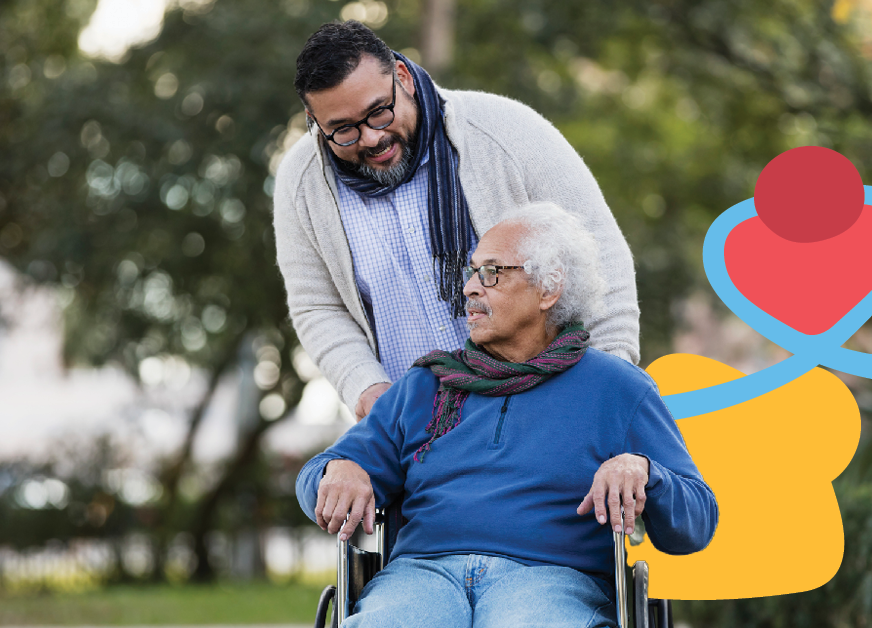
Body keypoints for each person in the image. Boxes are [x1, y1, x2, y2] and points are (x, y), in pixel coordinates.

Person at [295, 204, 717, 627]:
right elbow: (315, 477)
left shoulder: (618, 388)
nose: (470, 289)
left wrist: (644, 471)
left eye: (492, 272)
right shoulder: (428, 384)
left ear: (548, 288)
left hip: (551, 580)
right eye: (472, 271)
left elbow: (697, 523)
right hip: (421, 575)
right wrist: (338, 469)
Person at [274, 21, 641, 419]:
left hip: (547, 415)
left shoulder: (507, 131)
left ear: (402, 77)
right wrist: (366, 388)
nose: (370, 138)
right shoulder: (301, 183)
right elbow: (317, 306)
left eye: (379, 112)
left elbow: (601, 258)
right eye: (342, 130)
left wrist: (608, 391)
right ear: (313, 118)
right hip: (421, 437)